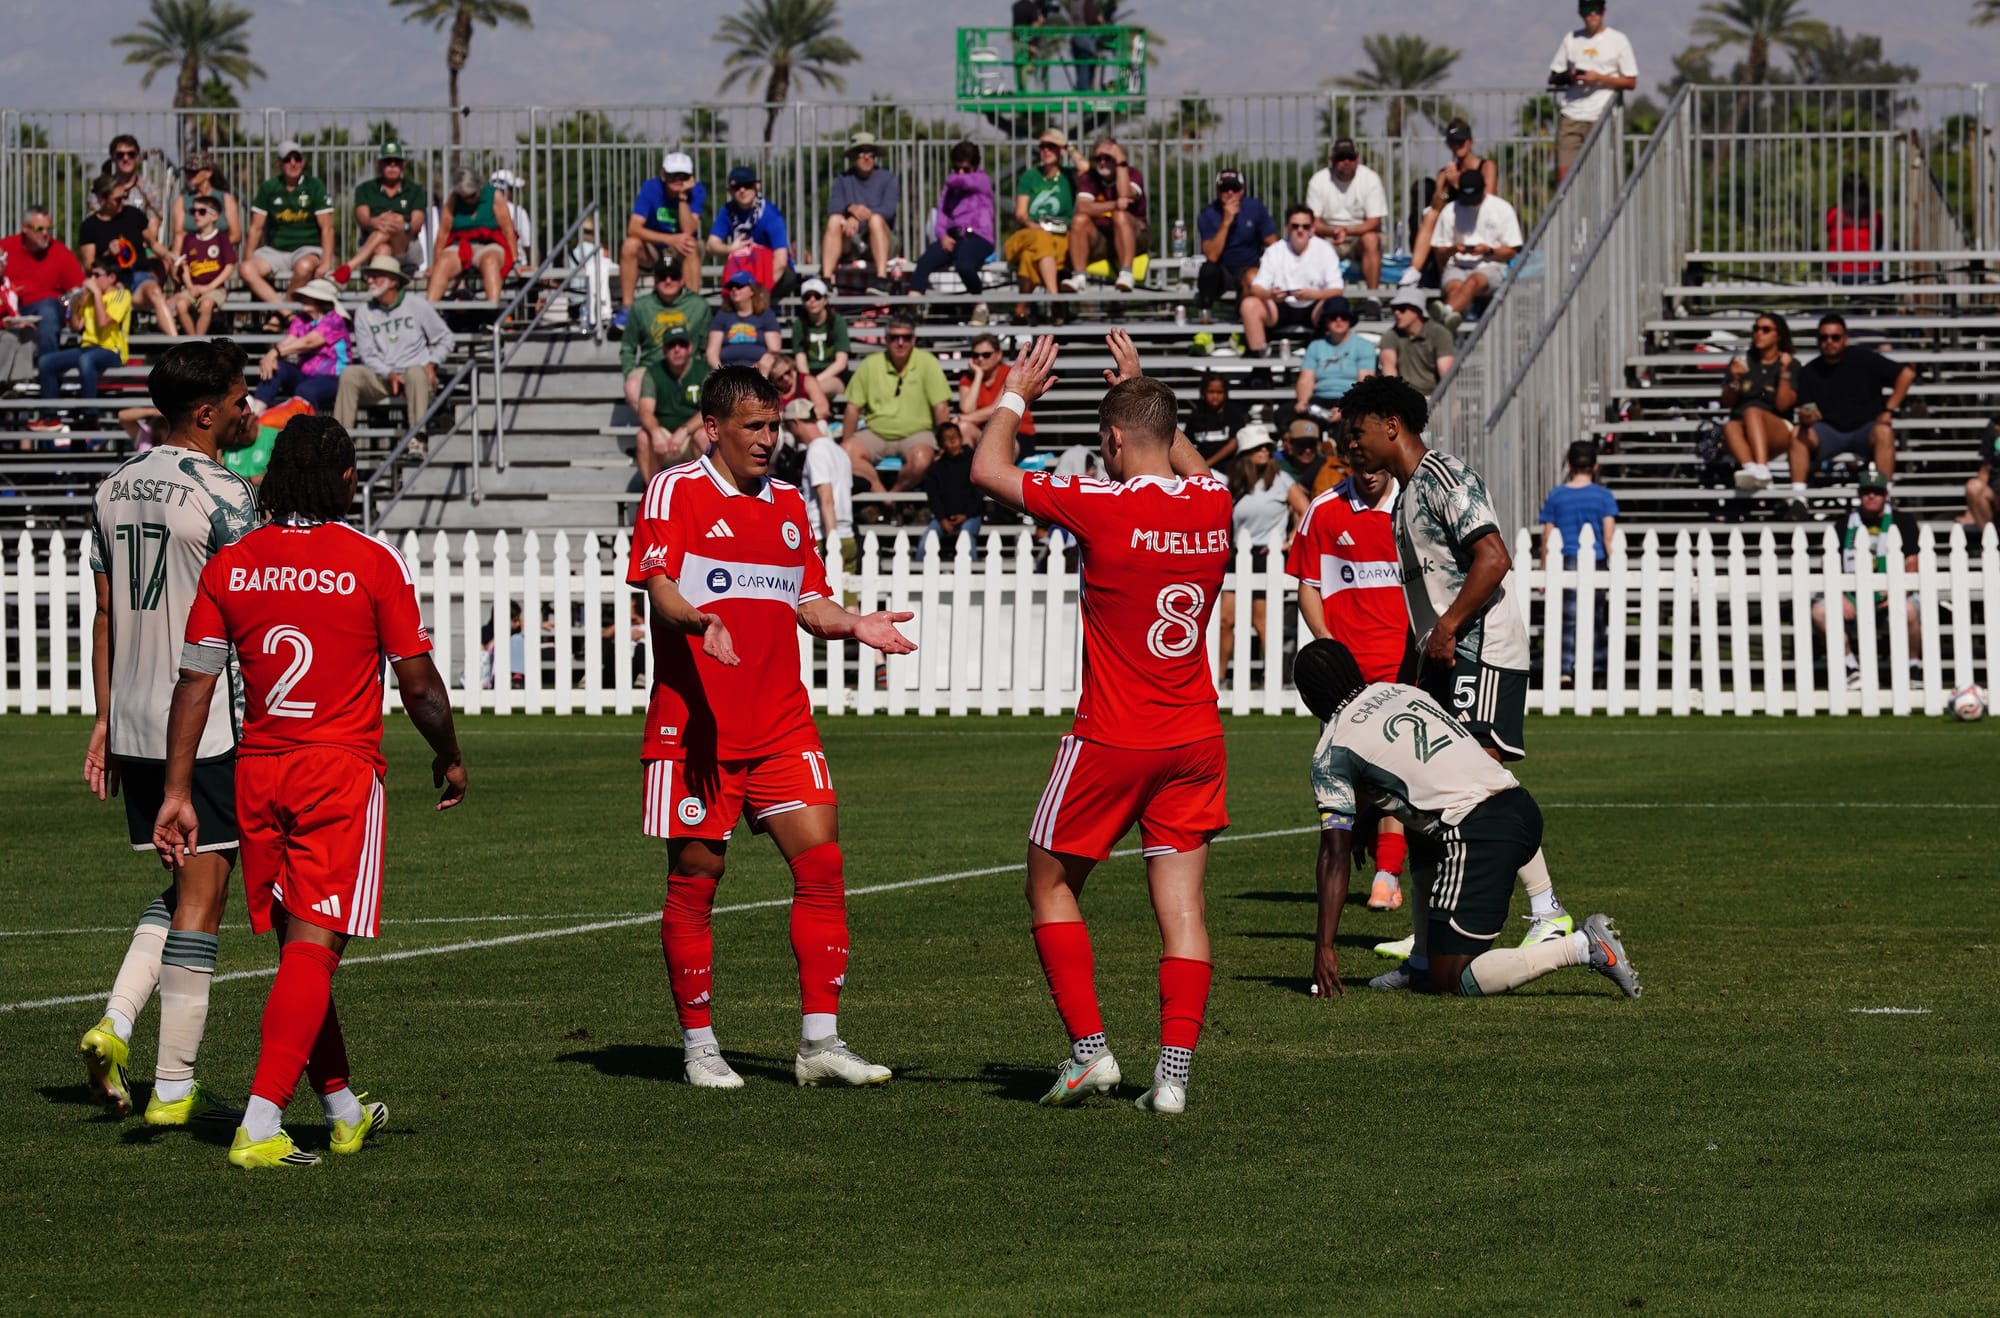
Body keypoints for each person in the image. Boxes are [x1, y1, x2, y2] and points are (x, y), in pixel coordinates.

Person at [154, 413, 467, 1168]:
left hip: (259, 772)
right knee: (315, 953)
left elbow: (195, 682)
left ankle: (343, 1107)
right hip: (337, 771)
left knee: (303, 943)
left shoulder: (233, 564)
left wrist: (177, 791)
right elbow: (418, 685)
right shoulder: (369, 561)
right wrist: (450, 752)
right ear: (346, 479)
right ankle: (260, 1124)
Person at [626, 366, 916, 1089]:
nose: (766, 439)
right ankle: (699, 1046)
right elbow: (659, 589)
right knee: (697, 878)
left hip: (783, 723)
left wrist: (854, 624)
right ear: (713, 427)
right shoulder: (677, 490)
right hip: (696, 728)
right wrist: (703, 619)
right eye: (753, 426)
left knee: (823, 867)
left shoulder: (790, 505)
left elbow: (809, 603)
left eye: (774, 426)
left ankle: (820, 1043)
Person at [969, 332, 1231, 1115]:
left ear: (1113, 442)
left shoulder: (1102, 505)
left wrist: (1015, 393)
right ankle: (1174, 1079)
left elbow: (986, 468)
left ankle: (1091, 1054)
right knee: (1182, 912)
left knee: (1048, 883)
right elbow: (1182, 460)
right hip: (1195, 738)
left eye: (1104, 442)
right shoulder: (1212, 500)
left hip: (1114, 736)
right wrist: (1145, 389)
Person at [1336, 375, 1572, 986]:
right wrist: (1414, 681)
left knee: (1481, 786)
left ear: (1392, 425)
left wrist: (1448, 627)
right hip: (1443, 655)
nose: (1349, 444)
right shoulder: (1402, 499)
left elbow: (1495, 557)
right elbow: (1427, 608)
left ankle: (1548, 912)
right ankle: (1424, 953)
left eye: (1356, 432)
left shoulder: (1444, 477)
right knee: (1426, 799)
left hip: (1481, 650)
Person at [77, 338, 258, 1125]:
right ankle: (175, 1088)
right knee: (208, 893)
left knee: (189, 881)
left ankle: (115, 1025)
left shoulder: (112, 486)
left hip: (138, 719)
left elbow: (105, 616)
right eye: (243, 399)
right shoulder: (225, 493)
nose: (250, 410)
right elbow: (249, 617)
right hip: (204, 719)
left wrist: (104, 717)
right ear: (208, 412)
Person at [1294, 639, 1640, 1002]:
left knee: (1452, 977)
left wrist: (1324, 947)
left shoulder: (1331, 749)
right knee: (1421, 827)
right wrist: (1367, 820)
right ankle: (1421, 961)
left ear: (1308, 697)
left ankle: (1583, 946)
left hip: (1479, 833)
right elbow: (1418, 767)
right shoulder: (1397, 691)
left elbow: (1334, 855)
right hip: (1519, 806)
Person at [1287, 457, 1411, 911]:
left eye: (1378, 463)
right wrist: (1329, 648)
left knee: (1398, 773)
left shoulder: (1413, 509)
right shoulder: (1324, 509)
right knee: (1345, 778)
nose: (1370, 471)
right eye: (1360, 461)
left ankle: (1387, 873)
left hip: (1403, 669)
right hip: (1346, 678)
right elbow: (1308, 585)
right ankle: (1364, 845)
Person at [1814, 467, 1922, 689]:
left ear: (1886, 495)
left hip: (1893, 591)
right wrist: (1842, 596)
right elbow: (1830, 563)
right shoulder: (1844, 525)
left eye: (1877, 492)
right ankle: (1850, 667)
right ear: (1860, 495)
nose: (1871, 496)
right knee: (1820, 611)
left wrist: (1898, 592)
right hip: (1852, 592)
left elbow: (1912, 561)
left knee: (1909, 609)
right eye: (1866, 492)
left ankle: (1912, 666)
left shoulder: (1903, 521)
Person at [1787, 313, 1913, 495]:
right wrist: (1808, 416)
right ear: (1818, 341)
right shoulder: (1809, 372)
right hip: (1829, 432)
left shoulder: (1864, 359)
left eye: (1835, 337)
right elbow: (1808, 408)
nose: (1829, 342)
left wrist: (1888, 409)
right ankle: (1798, 498)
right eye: (1824, 337)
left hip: (1865, 430)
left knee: (1884, 431)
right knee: (1798, 433)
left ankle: (1884, 495)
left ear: (1845, 339)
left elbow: (1906, 374)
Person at [334, 255, 455, 435]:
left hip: (416, 375)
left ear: (392, 281)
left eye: (376, 276)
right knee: (350, 374)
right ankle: (338, 445)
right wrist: (388, 373)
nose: (370, 280)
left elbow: (446, 338)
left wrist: (432, 363)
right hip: (383, 376)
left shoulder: (416, 304)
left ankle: (417, 438)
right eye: (369, 276)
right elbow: (367, 354)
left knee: (415, 372)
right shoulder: (363, 311)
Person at [1538, 440, 1619, 687]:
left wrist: (1543, 569)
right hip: (1596, 561)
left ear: (1569, 464)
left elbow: (1547, 536)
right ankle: (1596, 665)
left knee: (1568, 618)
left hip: (1566, 560)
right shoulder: (1604, 496)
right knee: (1596, 616)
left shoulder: (1557, 495)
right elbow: (1608, 537)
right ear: (1595, 466)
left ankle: (1565, 668)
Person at [841, 316, 951, 492]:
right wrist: (846, 442)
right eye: (894, 338)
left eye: (906, 338)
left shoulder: (927, 361)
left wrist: (943, 444)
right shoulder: (871, 364)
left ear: (913, 340)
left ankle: (892, 496)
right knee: (846, 452)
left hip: (917, 433)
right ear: (886, 340)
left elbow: (941, 406)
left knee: (922, 458)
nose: (900, 343)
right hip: (876, 432)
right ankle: (881, 495)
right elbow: (852, 408)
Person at [1219, 424, 1294, 673]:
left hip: (1267, 556)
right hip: (1238, 555)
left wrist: (1288, 542)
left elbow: (1306, 511)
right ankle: (1219, 677)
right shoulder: (1234, 485)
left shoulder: (1283, 481)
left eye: (1267, 447)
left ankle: (1274, 678)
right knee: (1225, 620)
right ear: (1245, 454)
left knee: (1262, 621)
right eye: (1258, 447)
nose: (1264, 451)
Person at [31, 261, 131, 434]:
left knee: (87, 360)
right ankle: (50, 417)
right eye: (91, 275)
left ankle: (90, 415)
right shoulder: (92, 298)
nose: (91, 279)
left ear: (112, 278)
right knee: (46, 361)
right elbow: (76, 327)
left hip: (111, 350)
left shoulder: (121, 295)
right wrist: (76, 304)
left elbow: (103, 321)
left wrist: (96, 294)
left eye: (97, 275)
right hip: (88, 348)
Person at [1547, 0, 1638, 181]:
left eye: (1596, 9)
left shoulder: (1618, 40)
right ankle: (1567, 208)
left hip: (1602, 116)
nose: (1592, 15)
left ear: (1603, 12)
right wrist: (1572, 76)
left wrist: (1600, 78)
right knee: (1564, 175)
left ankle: (1603, 209)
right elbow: (1553, 77)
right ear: (1581, 13)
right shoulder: (1571, 39)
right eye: (1588, 10)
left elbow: (1630, 81)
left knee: (1602, 175)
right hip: (1572, 115)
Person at [79, 175, 179, 336]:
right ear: (102, 199)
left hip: (138, 277)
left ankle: (178, 344)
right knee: (116, 299)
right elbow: (89, 264)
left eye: (124, 197)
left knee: (155, 292)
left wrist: (169, 255)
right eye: (117, 200)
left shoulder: (133, 215)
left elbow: (153, 244)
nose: (123, 203)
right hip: (113, 281)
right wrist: (107, 254)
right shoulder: (90, 226)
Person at [240, 141, 335, 308]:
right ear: (279, 163)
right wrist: (247, 258)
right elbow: (256, 228)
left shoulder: (314, 186)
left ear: (303, 162)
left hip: (307, 249)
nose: (293, 163)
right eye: (287, 159)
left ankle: (280, 314)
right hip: (276, 251)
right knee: (246, 269)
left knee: (304, 267)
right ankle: (285, 313)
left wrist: (326, 261)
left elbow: (327, 227)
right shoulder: (269, 188)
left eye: (297, 159)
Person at [1242, 204, 1344, 357]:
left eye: (1305, 226)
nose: (1300, 230)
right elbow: (1257, 288)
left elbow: (1337, 289)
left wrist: (1314, 295)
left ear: (1312, 229)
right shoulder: (1275, 250)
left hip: (1314, 308)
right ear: (1287, 228)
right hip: (1280, 306)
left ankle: (1328, 357)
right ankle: (1260, 364)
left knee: (1335, 304)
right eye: (1295, 226)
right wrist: (1271, 295)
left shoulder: (1324, 249)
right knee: (1249, 304)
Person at [1429, 171, 1521, 331]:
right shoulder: (1450, 210)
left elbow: (1511, 250)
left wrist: (1488, 250)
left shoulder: (1502, 209)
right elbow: (1439, 249)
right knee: (1454, 288)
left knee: (1472, 282)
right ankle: (1448, 320)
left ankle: (1443, 316)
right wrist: (1453, 249)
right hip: (1457, 264)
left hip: (1491, 265)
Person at [621, 261, 712, 419]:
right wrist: (630, 371)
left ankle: (688, 430)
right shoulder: (641, 307)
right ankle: (658, 429)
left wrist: (700, 369)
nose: (668, 281)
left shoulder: (699, 306)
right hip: (651, 367)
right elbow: (628, 347)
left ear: (682, 279)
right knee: (632, 385)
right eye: (663, 277)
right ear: (655, 280)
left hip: (689, 367)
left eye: (674, 276)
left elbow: (706, 345)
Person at [1410, 120, 1499, 280]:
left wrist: (1458, 184)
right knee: (1430, 216)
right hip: (1454, 226)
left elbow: (1488, 199)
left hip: (1478, 221)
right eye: (1453, 142)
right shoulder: (1445, 172)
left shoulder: (1486, 166)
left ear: (1470, 141)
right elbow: (1436, 207)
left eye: (1461, 141)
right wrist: (1444, 188)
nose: (1457, 145)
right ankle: (1416, 271)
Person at [1721, 311, 1798, 492]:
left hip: (1777, 426)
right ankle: (1752, 470)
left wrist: (1785, 373)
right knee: (1729, 426)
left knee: (1752, 411)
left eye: (1766, 329)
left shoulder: (1789, 364)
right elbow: (1727, 402)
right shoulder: (1742, 361)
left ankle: (1762, 468)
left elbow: (1783, 405)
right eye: (1756, 328)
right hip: (1743, 428)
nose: (1758, 333)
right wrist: (1734, 379)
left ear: (1778, 335)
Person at [1303, 139, 1388, 303]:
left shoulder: (1370, 179)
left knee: (1371, 239)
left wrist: (1346, 231)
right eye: (1341, 158)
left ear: (1358, 158)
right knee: (1313, 244)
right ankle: (1320, 299)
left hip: (1360, 236)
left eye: (1350, 157)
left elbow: (1374, 222)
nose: (1346, 162)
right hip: (1329, 236)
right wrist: (1333, 232)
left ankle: (1372, 299)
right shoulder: (1318, 180)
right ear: (1332, 160)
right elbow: (1313, 221)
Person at [2, 207, 85, 372]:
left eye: (49, 228)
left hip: (45, 310)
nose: (46, 233)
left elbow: (79, 289)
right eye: (40, 229)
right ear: (25, 228)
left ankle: (48, 373)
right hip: (9, 308)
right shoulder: (6, 248)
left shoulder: (60, 252)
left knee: (48, 312)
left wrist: (71, 306)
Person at [909, 141, 996, 298]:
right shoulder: (949, 189)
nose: (960, 173)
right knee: (924, 262)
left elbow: (959, 181)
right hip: (953, 238)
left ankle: (980, 303)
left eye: (966, 169)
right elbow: (942, 213)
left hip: (978, 238)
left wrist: (952, 178)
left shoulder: (981, 181)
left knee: (964, 264)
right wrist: (942, 236)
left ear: (975, 168)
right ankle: (911, 307)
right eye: (956, 168)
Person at [1004, 128, 1078, 307]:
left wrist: (1068, 147)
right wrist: (1033, 225)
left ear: (1060, 150)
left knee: (1030, 257)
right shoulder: (1030, 176)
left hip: (1058, 233)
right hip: (1029, 232)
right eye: (1042, 146)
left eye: (1051, 146)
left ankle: (1021, 308)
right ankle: (1055, 300)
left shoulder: (1069, 175)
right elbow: (1021, 214)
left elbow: (1085, 167)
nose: (1045, 151)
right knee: (1041, 239)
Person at [1063, 139, 1148, 294]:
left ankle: (1126, 273)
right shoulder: (1090, 177)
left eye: (1108, 158)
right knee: (1079, 219)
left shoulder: (1132, 174)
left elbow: (1125, 195)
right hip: (1102, 238)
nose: (1102, 162)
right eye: (1098, 158)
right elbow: (1083, 206)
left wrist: (1121, 163)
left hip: (1135, 236)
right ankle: (1079, 277)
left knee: (1119, 215)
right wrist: (1114, 204)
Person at [332, 142, 424, 284]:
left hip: (405, 246)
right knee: (382, 249)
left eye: (397, 162)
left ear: (403, 164)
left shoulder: (415, 190)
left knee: (393, 224)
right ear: (379, 165)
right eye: (387, 162)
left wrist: (402, 226)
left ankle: (350, 265)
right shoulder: (365, 189)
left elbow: (416, 225)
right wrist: (374, 222)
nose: (392, 165)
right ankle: (382, 298)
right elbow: (362, 218)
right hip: (375, 248)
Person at [253, 279, 348, 414]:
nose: (303, 299)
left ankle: (306, 431)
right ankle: (256, 412)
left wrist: (274, 353)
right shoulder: (300, 320)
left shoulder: (335, 319)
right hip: (304, 375)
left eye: (308, 297)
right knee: (276, 368)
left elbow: (308, 342)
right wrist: (271, 357)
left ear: (320, 301)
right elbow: (288, 343)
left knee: (305, 390)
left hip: (333, 378)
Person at [820, 132, 901, 288]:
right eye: (861, 152)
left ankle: (881, 279)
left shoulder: (889, 178)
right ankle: (826, 279)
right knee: (834, 220)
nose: (867, 157)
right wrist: (850, 208)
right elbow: (833, 209)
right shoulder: (842, 179)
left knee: (876, 220)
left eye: (871, 153)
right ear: (852, 156)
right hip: (852, 241)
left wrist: (857, 217)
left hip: (883, 240)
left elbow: (889, 210)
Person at [1194, 169, 1276, 321]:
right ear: (1218, 191)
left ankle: (1242, 316)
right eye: (1225, 189)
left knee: (1253, 276)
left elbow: (1272, 242)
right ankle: (1205, 314)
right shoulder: (1208, 214)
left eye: (1235, 188)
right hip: (1221, 268)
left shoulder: (1255, 208)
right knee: (1207, 271)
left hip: (1248, 266)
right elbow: (1212, 255)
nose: (1230, 193)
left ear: (1243, 190)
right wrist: (1226, 222)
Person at [427, 168, 518, 303]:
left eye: (472, 195)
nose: (469, 200)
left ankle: (492, 313)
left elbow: (508, 230)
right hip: (460, 245)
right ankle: (429, 309)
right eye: (464, 197)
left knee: (490, 261)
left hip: (489, 244)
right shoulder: (454, 199)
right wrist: (435, 263)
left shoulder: (494, 196)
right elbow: (443, 233)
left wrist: (516, 261)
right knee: (443, 262)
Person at [635, 329, 710, 484]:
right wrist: (655, 432)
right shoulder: (653, 372)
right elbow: (645, 410)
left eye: (681, 344)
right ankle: (652, 493)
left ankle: (706, 492)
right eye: (671, 345)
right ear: (664, 350)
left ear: (689, 348)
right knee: (643, 436)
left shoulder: (704, 371)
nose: (677, 349)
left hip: (690, 438)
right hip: (663, 439)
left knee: (703, 435)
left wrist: (684, 430)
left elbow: (710, 409)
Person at [706, 166, 793, 296]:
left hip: (771, 274)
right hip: (744, 269)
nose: (742, 190)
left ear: (757, 186)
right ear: (729, 191)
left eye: (747, 185)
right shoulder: (726, 211)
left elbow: (781, 261)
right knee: (674, 256)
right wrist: (730, 248)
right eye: (736, 187)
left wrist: (758, 295)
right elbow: (710, 246)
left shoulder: (771, 215)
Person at [1294, 296, 1377, 419]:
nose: (1339, 320)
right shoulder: (1315, 346)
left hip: (1350, 400)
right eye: (1333, 317)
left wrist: (1346, 408)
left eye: (1344, 317)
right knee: (1283, 414)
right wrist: (1303, 401)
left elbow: (1364, 385)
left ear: (1350, 320)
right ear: (1326, 321)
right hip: (1320, 399)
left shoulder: (1364, 346)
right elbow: (1305, 379)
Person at [168, 195, 237, 337]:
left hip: (215, 288)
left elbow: (229, 267)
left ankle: (198, 342)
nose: (196, 215)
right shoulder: (189, 239)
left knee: (206, 305)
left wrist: (209, 287)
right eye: (194, 211)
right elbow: (185, 266)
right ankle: (194, 341)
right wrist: (190, 286)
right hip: (193, 287)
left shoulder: (221, 238)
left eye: (202, 211)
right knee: (180, 305)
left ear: (214, 216)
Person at [955, 331, 1035, 452]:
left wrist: (963, 418)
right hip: (984, 434)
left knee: (999, 444)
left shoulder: (1010, 374)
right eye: (975, 355)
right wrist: (978, 375)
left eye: (986, 355)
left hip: (1015, 433)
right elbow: (967, 409)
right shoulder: (968, 379)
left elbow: (997, 409)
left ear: (998, 355)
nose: (980, 359)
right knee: (963, 428)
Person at [915, 421, 982, 562]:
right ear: (940, 445)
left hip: (970, 515)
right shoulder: (935, 469)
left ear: (961, 438)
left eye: (955, 437)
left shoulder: (974, 462)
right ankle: (918, 575)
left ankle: (974, 575)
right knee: (927, 539)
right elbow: (933, 498)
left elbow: (978, 494)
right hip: (944, 517)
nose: (952, 441)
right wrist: (942, 519)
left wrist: (966, 515)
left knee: (966, 537)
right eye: (947, 439)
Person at [1380, 286, 1456, 397]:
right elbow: (1389, 370)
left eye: (1402, 308)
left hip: (1434, 397)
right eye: (1394, 308)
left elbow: (1447, 376)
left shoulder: (1439, 334)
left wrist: (1451, 407)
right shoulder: (1390, 335)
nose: (1396, 313)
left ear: (1417, 310)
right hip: (1403, 398)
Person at [706, 270, 781, 373]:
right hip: (728, 373)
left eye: (739, 286)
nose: (734, 289)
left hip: (758, 372)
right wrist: (722, 372)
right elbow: (712, 352)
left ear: (752, 290)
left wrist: (757, 368)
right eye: (731, 286)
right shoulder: (722, 315)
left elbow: (773, 351)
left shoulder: (765, 315)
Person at [168, 151, 241, 251]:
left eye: (194, 171)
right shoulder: (182, 200)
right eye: (187, 171)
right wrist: (198, 245)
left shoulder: (226, 198)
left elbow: (236, 235)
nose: (189, 174)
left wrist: (210, 245)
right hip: (191, 250)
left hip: (218, 250)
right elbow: (178, 232)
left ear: (208, 173)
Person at [791, 277, 850, 401]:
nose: (812, 300)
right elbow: (800, 359)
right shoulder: (799, 325)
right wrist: (808, 380)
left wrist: (815, 381)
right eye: (807, 297)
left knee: (817, 389)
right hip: (809, 374)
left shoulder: (837, 322)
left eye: (817, 296)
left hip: (834, 375)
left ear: (825, 300)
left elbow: (841, 362)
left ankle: (819, 418)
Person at [1183, 372, 1247, 470]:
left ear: (1225, 393)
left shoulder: (1233, 413)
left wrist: (1207, 464)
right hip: (1202, 469)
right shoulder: (1196, 415)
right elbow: (1187, 443)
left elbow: (1233, 444)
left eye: (1219, 392)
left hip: (1228, 470)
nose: (1215, 396)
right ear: (1204, 392)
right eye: (1211, 392)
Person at [1827, 174, 1881, 286]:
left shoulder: (1833, 214)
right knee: (1881, 246)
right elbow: (1878, 239)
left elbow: (1829, 232)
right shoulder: (1873, 215)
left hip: (1839, 272)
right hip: (1869, 272)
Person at [489, 169, 534, 270]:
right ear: (507, 190)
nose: (515, 193)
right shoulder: (518, 211)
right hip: (516, 266)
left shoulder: (482, 210)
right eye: (513, 189)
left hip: (491, 265)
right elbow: (528, 244)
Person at [1961, 419, 2000, 529]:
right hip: (1995, 493)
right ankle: (1990, 540)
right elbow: (1985, 468)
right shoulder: (1994, 426)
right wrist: (1970, 511)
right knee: (1973, 487)